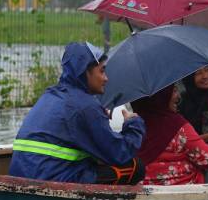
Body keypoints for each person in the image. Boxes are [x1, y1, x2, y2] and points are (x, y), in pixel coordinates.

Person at [9, 42, 146, 185]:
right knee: (136, 167)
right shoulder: (86, 106)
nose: (106, 78)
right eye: (102, 71)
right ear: (85, 71)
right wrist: (133, 124)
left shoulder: (50, 94)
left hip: (21, 175)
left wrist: (99, 118)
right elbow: (119, 153)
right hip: (50, 181)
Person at [131, 85, 208, 185]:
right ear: (161, 97)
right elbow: (207, 159)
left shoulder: (132, 127)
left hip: (145, 193)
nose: (178, 96)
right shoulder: (177, 125)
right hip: (184, 192)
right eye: (174, 91)